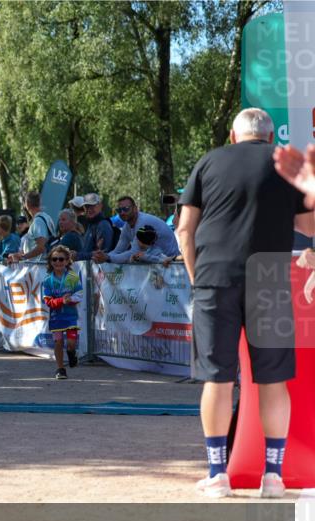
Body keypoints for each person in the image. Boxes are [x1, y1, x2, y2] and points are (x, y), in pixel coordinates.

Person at [177, 108, 312, 499]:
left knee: (217, 377)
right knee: (272, 380)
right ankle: (273, 477)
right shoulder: (286, 165)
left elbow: (185, 229)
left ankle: (218, 474)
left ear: (234, 138)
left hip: (214, 278)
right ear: (270, 138)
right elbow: (309, 226)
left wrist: (195, 278)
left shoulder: (208, 161)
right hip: (269, 276)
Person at [42, 245, 83, 380]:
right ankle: (60, 369)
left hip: (71, 317)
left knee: (71, 343)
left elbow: (80, 295)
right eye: (54, 259)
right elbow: (47, 301)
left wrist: (70, 299)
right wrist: (61, 301)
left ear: (67, 261)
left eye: (61, 259)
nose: (58, 262)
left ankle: (72, 354)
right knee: (58, 343)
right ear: (50, 261)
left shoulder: (72, 277)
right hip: (56, 317)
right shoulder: (47, 280)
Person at [97, 196, 179, 263]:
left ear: (135, 208)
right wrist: (103, 256)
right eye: (119, 210)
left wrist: (108, 258)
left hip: (172, 264)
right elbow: (118, 250)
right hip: (159, 263)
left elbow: (134, 252)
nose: (122, 212)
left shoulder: (142, 222)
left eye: (126, 209)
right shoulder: (127, 226)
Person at [7, 192, 55, 264]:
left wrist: (23, 257)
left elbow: (41, 247)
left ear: (27, 204)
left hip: (39, 268)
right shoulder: (46, 217)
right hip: (39, 266)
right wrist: (20, 255)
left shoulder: (38, 221)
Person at [75, 193, 115, 261]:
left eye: (92, 206)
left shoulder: (103, 225)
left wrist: (77, 255)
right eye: (87, 207)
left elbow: (101, 255)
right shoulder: (92, 224)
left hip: (101, 270)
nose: (89, 209)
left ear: (100, 205)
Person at [108, 226, 174, 265]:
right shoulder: (136, 251)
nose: (137, 242)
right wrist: (132, 260)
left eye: (138, 239)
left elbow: (163, 260)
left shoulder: (156, 251)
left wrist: (145, 257)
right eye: (137, 239)